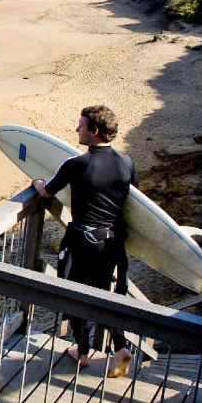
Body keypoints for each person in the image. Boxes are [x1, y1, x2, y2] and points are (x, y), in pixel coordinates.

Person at [32, 105, 136, 377]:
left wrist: (36, 182)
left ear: (95, 131)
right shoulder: (127, 163)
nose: (76, 129)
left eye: (81, 125)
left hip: (82, 243)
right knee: (105, 294)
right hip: (112, 243)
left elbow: (46, 191)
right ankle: (122, 347)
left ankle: (83, 350)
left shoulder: (76, 165)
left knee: (76, 296)